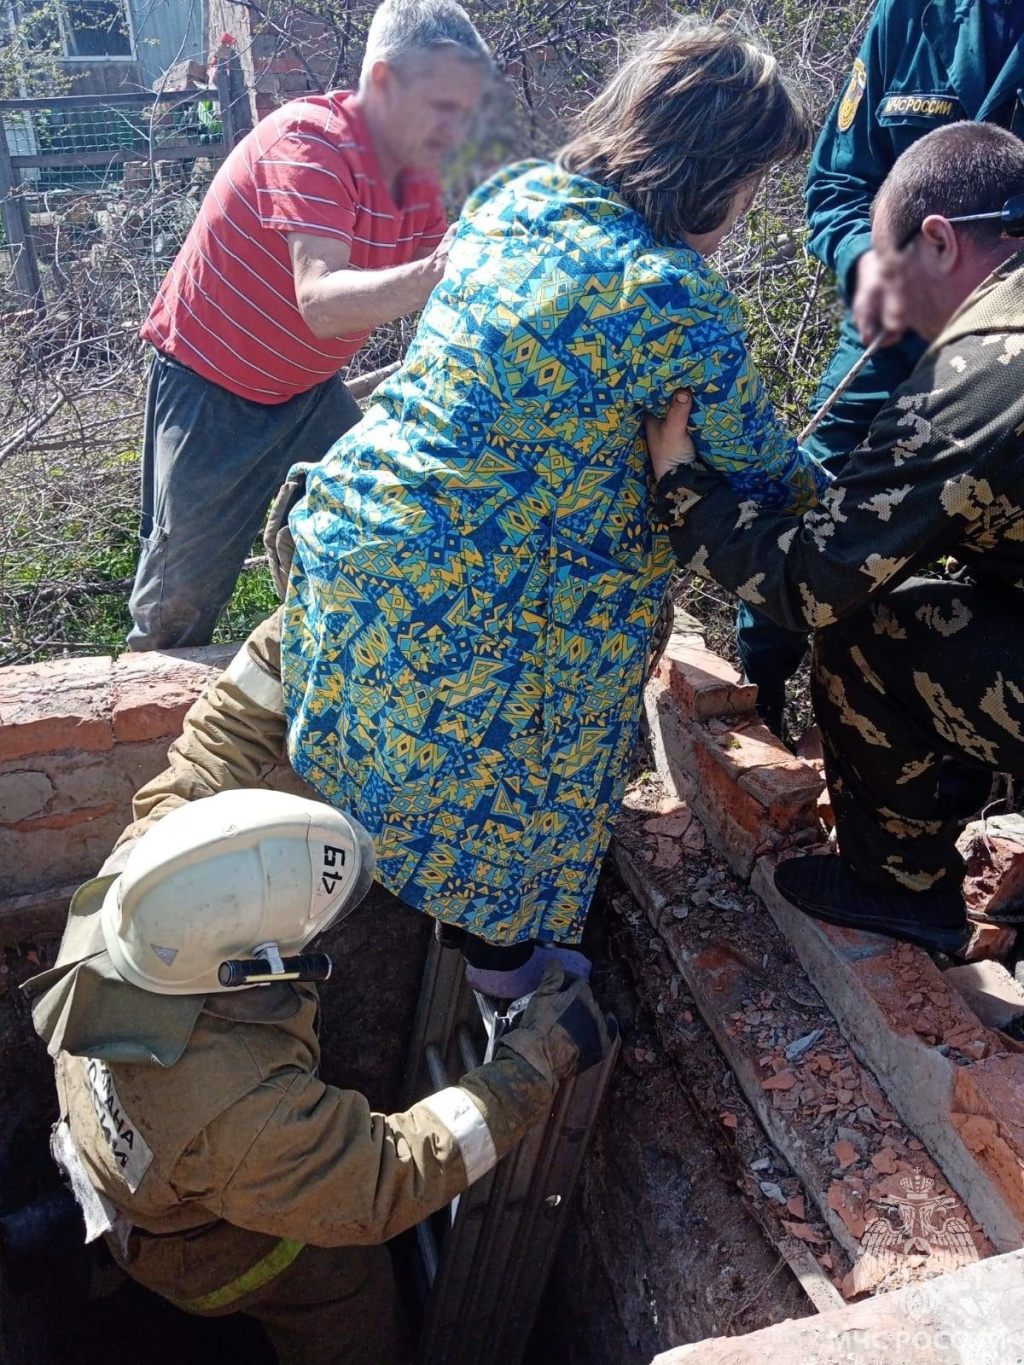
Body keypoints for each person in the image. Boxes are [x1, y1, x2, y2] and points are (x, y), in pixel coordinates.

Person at [276, 21, 829, 997]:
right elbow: (766, 485)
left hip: (362, 553)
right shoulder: (669, 301)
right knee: (508, 824)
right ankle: (507, 988)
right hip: (483, 627)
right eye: (749, 185)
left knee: (416, 797)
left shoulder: (515, 197)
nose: (745, 210)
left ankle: (453, 941)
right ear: (714, 171)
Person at [25, 789, 611, 1364]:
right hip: (214, 1252)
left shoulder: (142, 884)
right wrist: (534, 1061)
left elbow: (211, 751)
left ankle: (59, 1241)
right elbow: (388, 1174)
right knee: (349, 1295)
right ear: (245, 967)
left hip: (129, 1171)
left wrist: (276, 686)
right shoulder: (236, 1118)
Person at [646, 120, 1024, 957]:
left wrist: (683, 486)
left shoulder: (984, 371)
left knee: (866, 632)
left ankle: (899, 885)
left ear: (937, 242)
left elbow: (813, 579)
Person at [127, 0, 490, 652]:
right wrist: (437, 270)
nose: (456, 130)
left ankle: (338, 683)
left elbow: (447, 300)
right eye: (442, 107)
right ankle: (140, 736)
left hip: (308, 391)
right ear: (382, 84)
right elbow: (319, 301)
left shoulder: (418, 182)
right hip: (212, 391)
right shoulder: (311, 143)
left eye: (465, 111)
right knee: (176, 608)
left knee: (393, 525)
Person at [737, 0, 1024, 737]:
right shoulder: (910, 17)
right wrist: (870, 267)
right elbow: (835, 188)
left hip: (1009, 341)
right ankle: (755, 701)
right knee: (807, 500)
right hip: (893, 320)